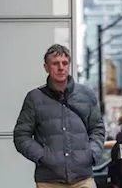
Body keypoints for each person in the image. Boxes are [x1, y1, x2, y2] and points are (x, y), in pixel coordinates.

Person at [13, 44, 105, 188]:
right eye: (55, 63)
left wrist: (91, 154)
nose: (61, 68)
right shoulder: (34, 98)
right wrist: (43, 157)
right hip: (49, 180)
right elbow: (21, 136)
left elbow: (97, 129)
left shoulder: (86, 94)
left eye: (65, 63)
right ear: (46, 67)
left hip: (83, 179)